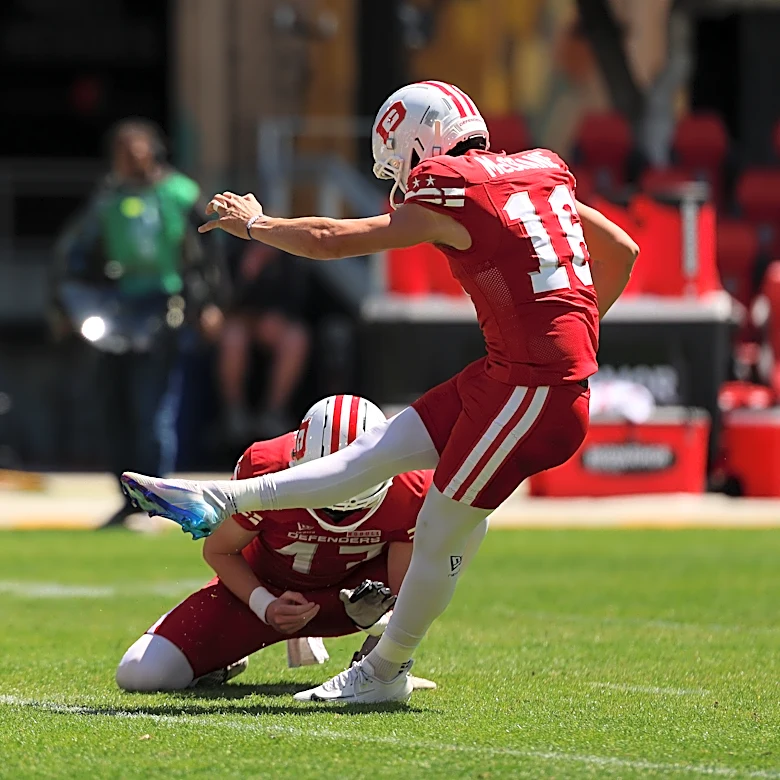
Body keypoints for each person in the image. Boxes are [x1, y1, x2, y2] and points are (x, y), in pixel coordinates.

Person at [122, 81, 639, 703]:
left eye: (400, 159)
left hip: (532, 389)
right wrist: (575, 334)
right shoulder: (539, 170)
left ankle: (384, 671)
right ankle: (222, 497)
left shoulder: (453, 186)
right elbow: (623, 250)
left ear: (419, 142)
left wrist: (256, 224)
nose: (402, 175)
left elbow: (332, 239)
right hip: (511, 374)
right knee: (369, 456)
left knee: (439, 525)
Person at [116, 394, 488, 693]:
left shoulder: (410, 488)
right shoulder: (265, 467)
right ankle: (224, 659)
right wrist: (266, 605)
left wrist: (380, 620)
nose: (337, 509)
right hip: (262, 592)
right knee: (140, 674)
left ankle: (382, 668)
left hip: (351, 599)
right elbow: (218, 550)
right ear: (299, 462)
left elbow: (403, 584)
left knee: (468, 523)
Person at [57, 118, 222, 528]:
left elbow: (208, 253)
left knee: (153, 408)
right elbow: (76, 254)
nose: (132, 158)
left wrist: (209, 304)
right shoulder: (107, 200)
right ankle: (125, 497)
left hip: (164, 307)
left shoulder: (179, 193)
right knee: (113, 405)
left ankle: (158, 498)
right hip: (116, 310)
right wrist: (68, 306)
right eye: (123, 151)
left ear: (153, 149)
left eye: (138, 149)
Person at [219, 238, 311, 444]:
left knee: (297, 338)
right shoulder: (235, 253)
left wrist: (278, 316)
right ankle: (235, 413)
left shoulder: (291, 256)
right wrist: (248, 272)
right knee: (233, 337)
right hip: (243, 322)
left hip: (278, 326)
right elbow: (226, 303)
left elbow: (299, 301)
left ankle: (274, 411)